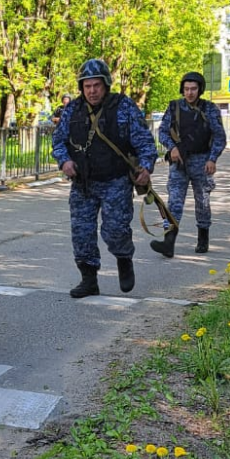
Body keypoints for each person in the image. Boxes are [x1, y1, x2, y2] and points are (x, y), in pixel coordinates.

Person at [52, 58, 157, 297]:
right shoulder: (72, 110)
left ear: (105, 84)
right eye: (87, 86)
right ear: (81, 87)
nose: (92, 91)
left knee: (114, 230)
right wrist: (64, 161)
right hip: (83, 183)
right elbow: (58, 141)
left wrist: (146, 167)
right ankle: (89, 280)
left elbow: (145, 142)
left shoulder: (123, 107)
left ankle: (123, 257)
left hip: (116, 181)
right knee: (82, 233)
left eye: (96, 85)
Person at [149, 71, 227, 257]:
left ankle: (203, 238)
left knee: (202, 202)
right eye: (186, 89)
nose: (190, 93)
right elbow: (163, 132)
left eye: (193, 89)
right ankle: (168, 242)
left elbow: (219, 137)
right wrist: (171, 148)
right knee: (173, 202)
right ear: (182, 90)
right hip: (179, 163)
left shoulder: (210, 109)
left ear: (199, 89)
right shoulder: (174, 107)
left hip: (202, 162)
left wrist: (212, 159)